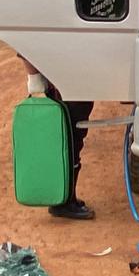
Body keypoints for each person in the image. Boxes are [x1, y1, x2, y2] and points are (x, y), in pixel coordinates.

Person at [22, 59, 95, 220]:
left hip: (72, 80)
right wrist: (35, 81)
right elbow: (25, 48)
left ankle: (65, 197)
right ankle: (63, 202)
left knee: (70, 138)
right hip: (65, 83)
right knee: (69, 139)